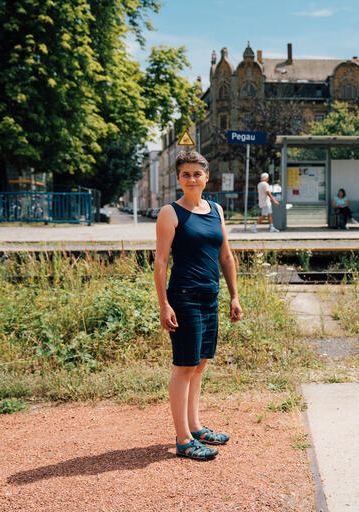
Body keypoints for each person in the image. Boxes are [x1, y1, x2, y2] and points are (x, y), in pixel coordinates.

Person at [154, 150, 242, 461]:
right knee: (184, 366)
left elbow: (226, 257)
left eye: (197, 173)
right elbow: (161, 261)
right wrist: (164, 303)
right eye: (186, 174)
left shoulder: (216, 210)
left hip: (210, 297)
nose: (192, 179)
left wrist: (233, 294)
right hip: (184, 297)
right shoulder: (170, 213)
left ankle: (195, 426)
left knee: (201, 363)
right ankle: (183, 439)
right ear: (178, 179)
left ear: (206, 177)